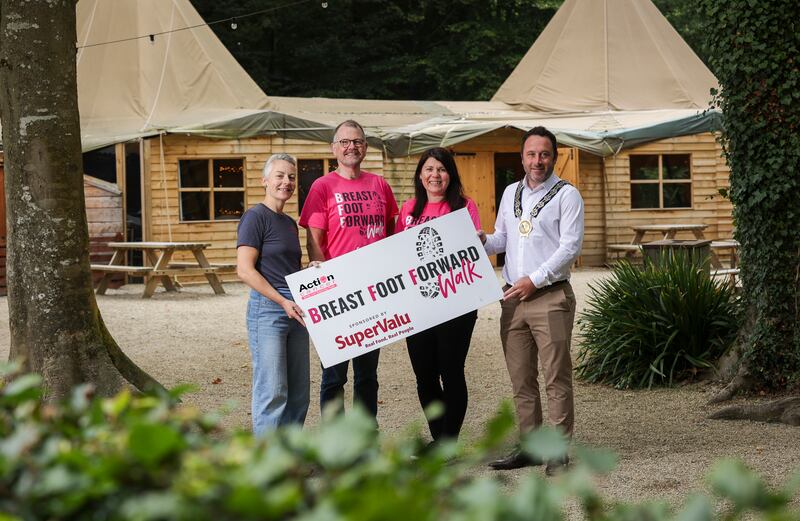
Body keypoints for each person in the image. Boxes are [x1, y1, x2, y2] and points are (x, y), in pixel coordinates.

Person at [480, 126, 584, 475]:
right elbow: (502, 240)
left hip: (549, 296)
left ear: (553, 156)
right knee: (521, 379)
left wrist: (534, 280)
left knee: (556, 377)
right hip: (512, 299)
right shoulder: (511, 192)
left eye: (543, 154)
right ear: (521, 157)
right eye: (531, 154)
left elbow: (569, 248)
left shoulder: (567, 195)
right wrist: (480, 241)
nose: (537, 160)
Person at [299, 120, 399, 419]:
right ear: (334, 148)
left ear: (365, 147)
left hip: (372, 292)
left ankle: (365, 437)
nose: (351, 146)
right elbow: (314, 240)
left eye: (356, 141)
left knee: (367, 375)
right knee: (334, 376)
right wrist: (323, 286)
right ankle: (335, 443)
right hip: (338, 294)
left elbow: (391, 233)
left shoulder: (379, 184)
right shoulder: (322, 186)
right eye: (344, 142)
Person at [396, 147, 481, 442]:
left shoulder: (464, 207)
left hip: (457, 305)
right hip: (419, 306)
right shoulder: (408, 211)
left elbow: (471, 255)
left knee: (451, 370)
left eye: (442, 169)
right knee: (425, 375)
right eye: (429, 169)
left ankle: (449, 442)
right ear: (420, 175)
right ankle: (439, 440)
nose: (435, 175)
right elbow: (396, 257)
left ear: (450, 175)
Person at [237, 153, 310, 435]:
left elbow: (287, 267)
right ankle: (267, 463)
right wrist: (281, 301)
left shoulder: (290, 223)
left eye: (291, 177)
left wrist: (310, 272)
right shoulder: (255, 217)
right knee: (273, 388)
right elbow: (244, 270)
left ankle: (289, 458)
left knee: (298, 391)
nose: (286, 182)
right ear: (264, 180)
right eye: (279, 175)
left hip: (296, 306)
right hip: (269, 308)